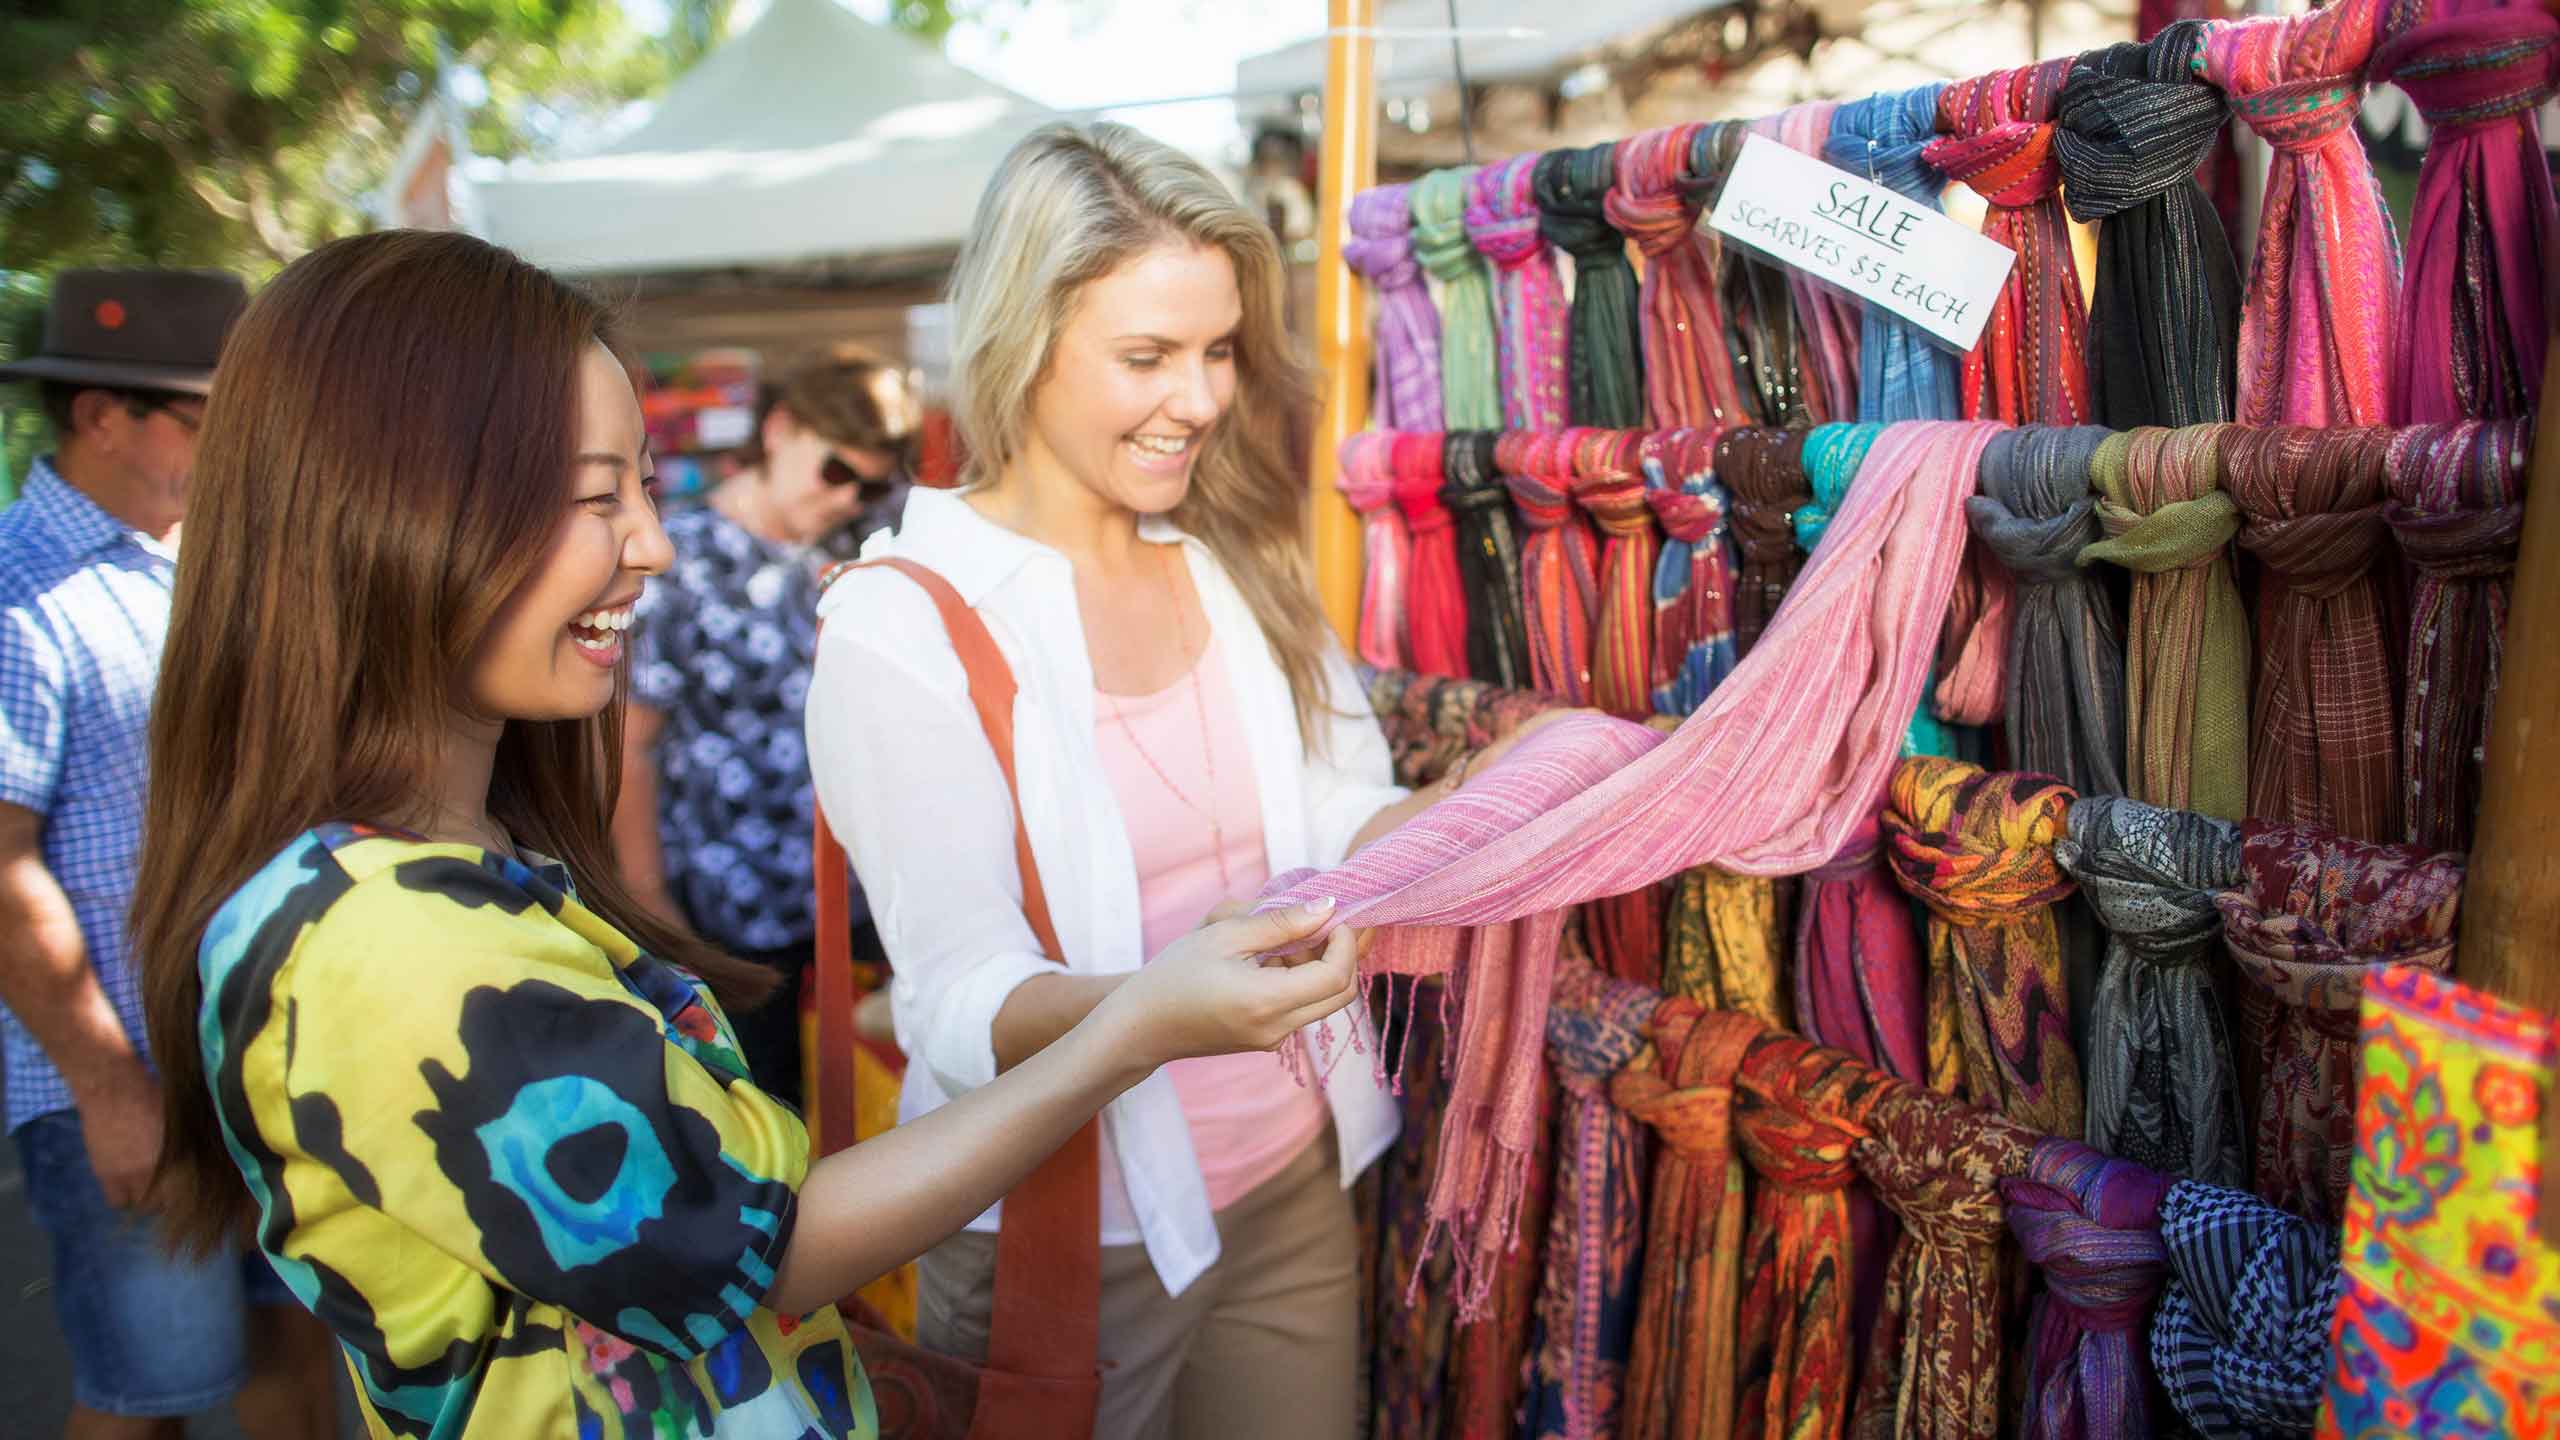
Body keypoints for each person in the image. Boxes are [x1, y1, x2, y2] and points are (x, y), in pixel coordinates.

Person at [126, 228, 1364, 1440]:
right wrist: (1136, 1026)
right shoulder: (387, 941)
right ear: (390, 515)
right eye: (593, 499)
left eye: (645, 494)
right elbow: (766, 1248)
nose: (653, 548)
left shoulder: (452, 871)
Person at [805, 122, 1564, 1440]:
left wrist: (1496, 798)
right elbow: (959, 1002)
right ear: (1018, 343)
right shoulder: (903, 620)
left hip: (1291, 1175)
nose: (1203, 400)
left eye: (1218, 352)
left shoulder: (1228, 557)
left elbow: (1333, 816)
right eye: (1147, 357)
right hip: (1065, 1233)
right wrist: (1160, 1010)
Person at [0, 268, 342, 1440]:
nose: (241, 446)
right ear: (103, 417)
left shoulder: (203, 565)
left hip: (256, 1057)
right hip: (130, 1074)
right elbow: (2, 873)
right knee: (148, 1396)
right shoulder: (18, 595)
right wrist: (110, 1093)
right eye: (214, 418)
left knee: (293, 1356)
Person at [616, 345, 919, 1103]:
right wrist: (647, 896)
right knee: (770, 1106)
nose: (851, 497)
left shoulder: (864, 539)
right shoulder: (679, 557)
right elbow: (631, 743)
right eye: (836, 471)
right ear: (780, 430)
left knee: (901, 1082)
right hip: (734, 904)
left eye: (870, 481)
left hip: (866, 886)